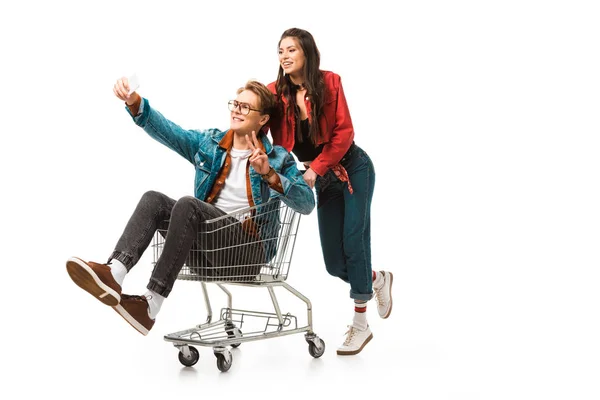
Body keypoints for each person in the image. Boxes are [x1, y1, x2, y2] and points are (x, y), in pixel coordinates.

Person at [66, 78, 315, 336]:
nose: (237, 110)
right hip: (206, 254)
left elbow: (307, 204)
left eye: (245, 107)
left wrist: (270, 175)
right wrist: (135, 103)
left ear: (263, 119)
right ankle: (115, 273)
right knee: (154, 200)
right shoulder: (209, 144)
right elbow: (171, 132)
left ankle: (152, 303)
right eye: (235, 104)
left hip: (246, 255)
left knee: (189, 206)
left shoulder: (278, 158)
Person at [267, 28, 393, 355]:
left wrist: (316, 168)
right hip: (319, 180)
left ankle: (361, 326)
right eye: (280, 50)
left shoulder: (330, 82)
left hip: (352, 168)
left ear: (307, 52)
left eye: (291, 49)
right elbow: (256, 118)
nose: (284, 56)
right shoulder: (275, 94)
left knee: (355, 239)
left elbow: (344, 132)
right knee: (335, 264)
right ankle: (377, 279)